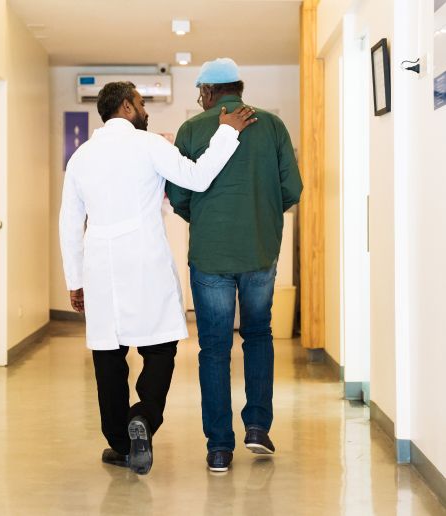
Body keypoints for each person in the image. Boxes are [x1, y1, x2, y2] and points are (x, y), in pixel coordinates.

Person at [59, 81, 256, 475]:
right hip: (144, 259)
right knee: (161, 348)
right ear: (128, 107)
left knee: (108, 358)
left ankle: (119, 444)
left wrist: (75, 279)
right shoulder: (148, 146)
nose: (145, 109)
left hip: (101, 265)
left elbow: (69, 223)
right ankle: (144, 418)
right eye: (142, 102)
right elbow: (197, 177)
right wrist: (227, 132)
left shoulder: (81, 156)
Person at [166, 58, 303, 472]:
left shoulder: (191, 129)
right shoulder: (273, 126)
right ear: (238, 88)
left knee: (214, 348)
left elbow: (178, 194)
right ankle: (258, 427)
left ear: (207, 93)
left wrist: (207, 220)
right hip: (260, 250)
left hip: (211, 255)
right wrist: (261, 216)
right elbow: (291, 188)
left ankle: (219, 448)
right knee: (259, 335)